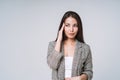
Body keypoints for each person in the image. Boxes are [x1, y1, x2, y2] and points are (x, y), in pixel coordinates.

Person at [47, 11, 93, 80]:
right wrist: (59, 39)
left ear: (79, 28)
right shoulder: (53, 45)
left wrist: (80, 78)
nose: (71, 29)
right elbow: (52, 65)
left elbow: (89, 72)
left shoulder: (85, 48)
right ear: (62, 27)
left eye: (75, 25)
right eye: (67, 25)